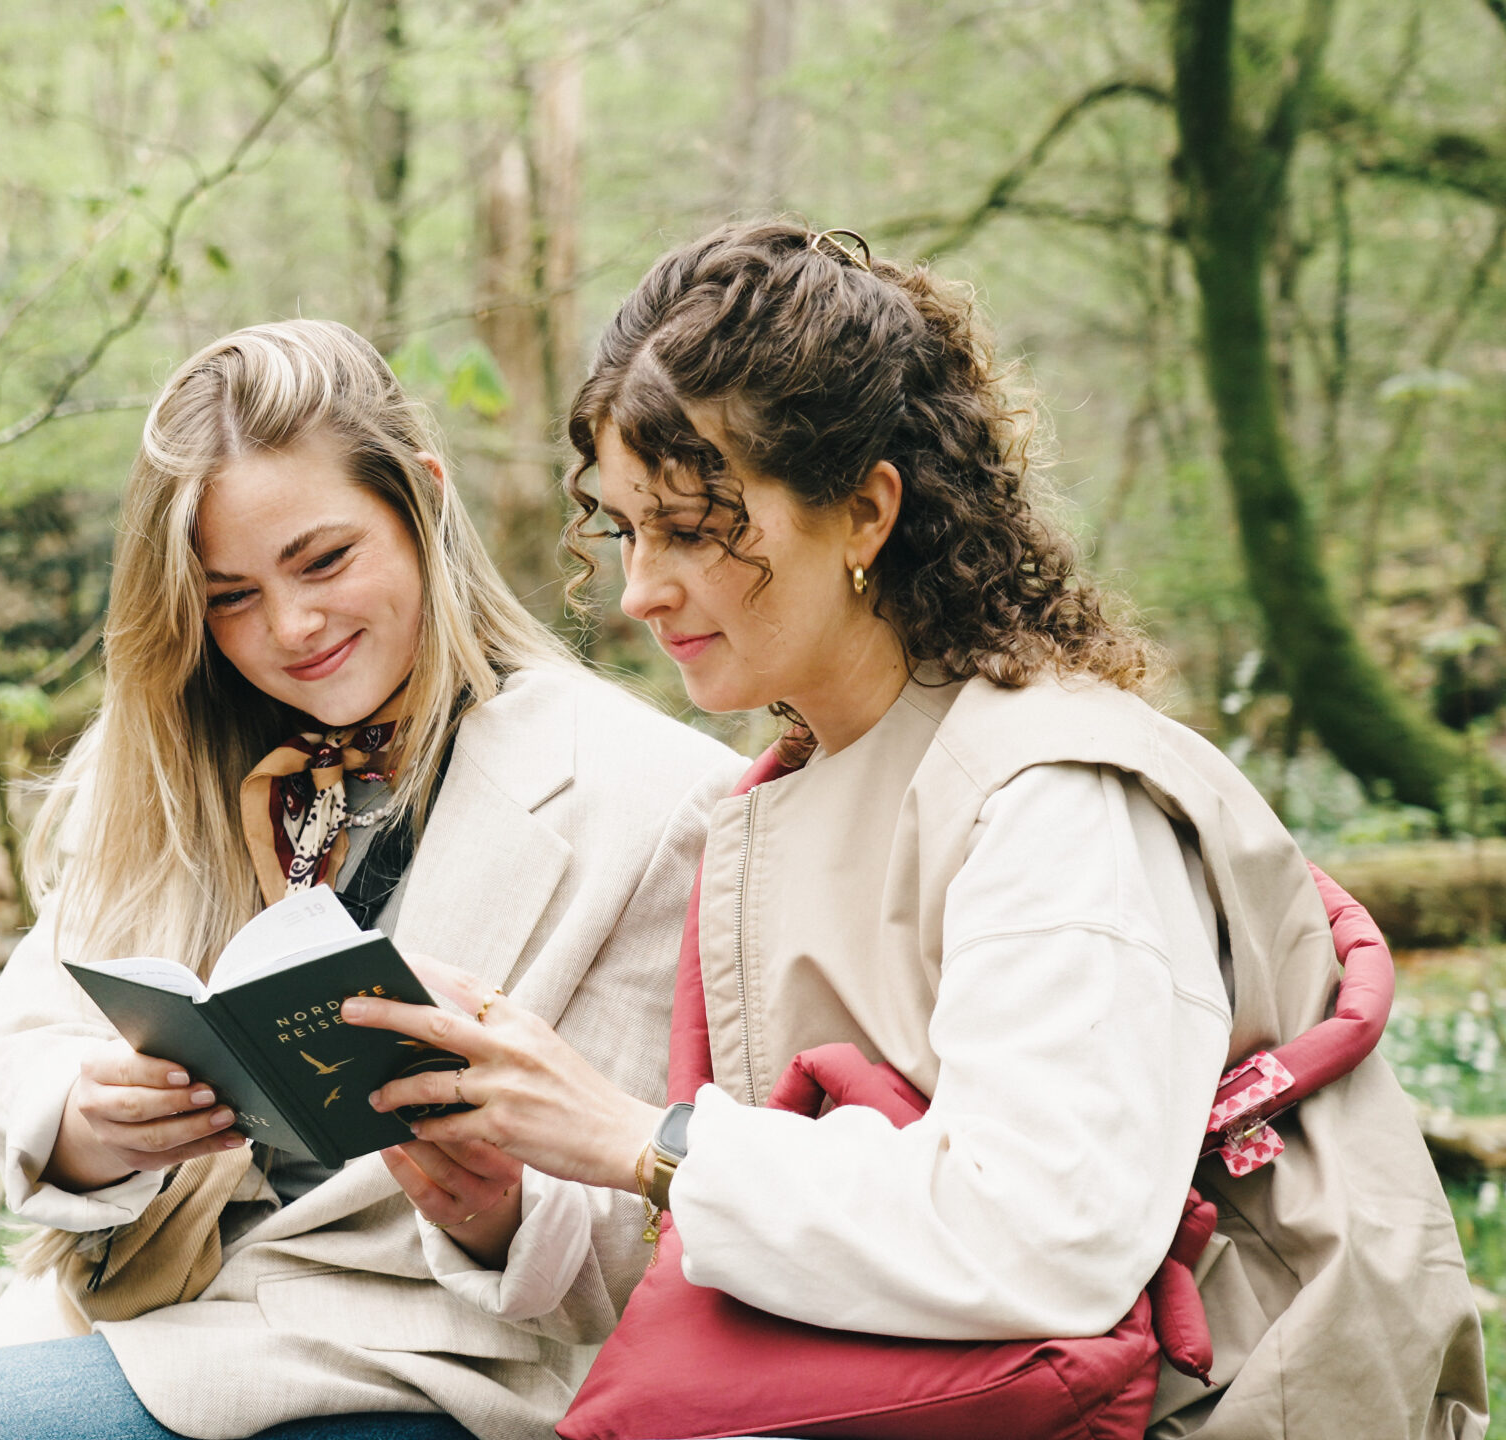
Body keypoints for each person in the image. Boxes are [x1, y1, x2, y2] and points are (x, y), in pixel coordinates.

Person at [345, 222, 1487, 1438]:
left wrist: (641, 1138)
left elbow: (1044, 1240)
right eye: (625, 531)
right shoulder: (777, 801)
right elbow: (792, 1261)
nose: (637, 590)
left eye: (689, 528)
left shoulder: (1053, 798)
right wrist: (512, 1200)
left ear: (863, 513)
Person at [0, 319, 735, 1440]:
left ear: (423, 500)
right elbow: (22, 1044)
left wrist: (499, 1211)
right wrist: (93, 1119)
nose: (291, 626)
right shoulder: (174, 758)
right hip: (154, 1317)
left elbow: (644, 1225)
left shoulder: (650, 798)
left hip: (425, 1364)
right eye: (228, 597)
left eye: (323, 561)